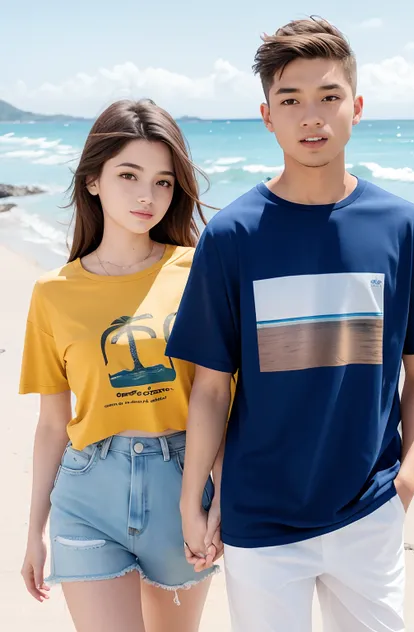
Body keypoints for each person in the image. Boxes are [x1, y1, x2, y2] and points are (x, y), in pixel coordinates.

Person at [166, 17, 414, 632]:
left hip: (370, 513)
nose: (312, 116)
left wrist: (406, 481)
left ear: (356, 107)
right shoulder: (232, 236)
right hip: (261, 519)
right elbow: (211, 387)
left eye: (329, 97)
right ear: (266, 115)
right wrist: (191, 498)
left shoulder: (405, 228)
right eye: (291, 100)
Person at [19, 99, 222, 632]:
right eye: (128, 175)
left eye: (162, 182)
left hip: (183, 486)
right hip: (87, 492)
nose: (145, 196)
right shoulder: (53, 294)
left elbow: (223, 399)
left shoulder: (199, 270)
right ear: (92, 180)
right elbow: (50, 424)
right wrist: (34, 530)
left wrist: (216, 497)